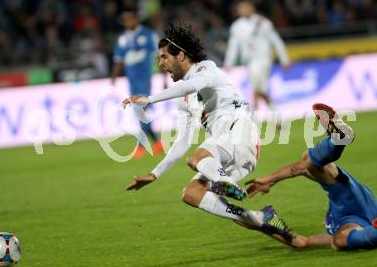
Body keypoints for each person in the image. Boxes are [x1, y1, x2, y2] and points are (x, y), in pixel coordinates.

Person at [122, 22, 292, 242]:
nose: (160, 63)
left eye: (164, 57)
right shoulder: (184, 100)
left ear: (180, 55)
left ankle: (228, 185)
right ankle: (262, 218)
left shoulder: (206, 69)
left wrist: (149, 99)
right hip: (229, 154)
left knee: (197, 158)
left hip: (240, 132)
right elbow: (183, 140)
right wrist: (156, 173)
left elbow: (190, 86)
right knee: (192, 194)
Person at [246, 103, 377, 250]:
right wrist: (262, 225)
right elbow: (302, 242)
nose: (324, 223)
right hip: (358, 211)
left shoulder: (336, 226)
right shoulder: (338, 230)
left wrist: (269, 180)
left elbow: (303, 168)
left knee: (309, 161)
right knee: (338, 241)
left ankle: (338, 140)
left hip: (352, 201)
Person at [112, 7, 163, 158]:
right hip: (132, 79)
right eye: (125, 20)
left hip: (145, 77)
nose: (128, 22)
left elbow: (158, 56)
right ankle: (157, 142)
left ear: (136, 19)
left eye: (130, 18)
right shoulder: (122, 38)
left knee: (140, 109)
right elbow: (118, 60)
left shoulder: (149, 35)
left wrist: (164, 76)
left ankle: (141, 146)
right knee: (139, 111)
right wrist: (113, 77)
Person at [224, 0, 290, 110]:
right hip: (249, 61)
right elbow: (233, 45)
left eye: (246, 7)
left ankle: (254, 110)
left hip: (264, 58)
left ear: (252, 8)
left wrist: (284, 58)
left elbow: (276, 40)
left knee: (256, 83)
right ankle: (274, 111)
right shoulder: (237, 26)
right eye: (241, 8)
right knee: (260, 87)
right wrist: (228, 62)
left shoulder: (263, 22)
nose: (244, 10)